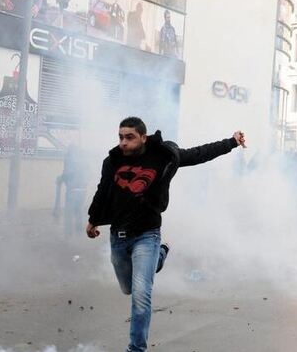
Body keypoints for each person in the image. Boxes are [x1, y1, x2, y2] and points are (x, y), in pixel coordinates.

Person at [86, 117, 245, 352]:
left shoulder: (163, 156)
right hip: (118, 235)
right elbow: (103, 190)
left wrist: (230, 142)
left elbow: (198, 153)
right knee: (128, 288)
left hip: (147, 235)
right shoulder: (112, 161)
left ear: (143, 136)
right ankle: (161, 256)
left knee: (140, 294)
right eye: (120, 137)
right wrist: (93, 219)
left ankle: (136, 348)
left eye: (129, 137)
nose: (123, 143)